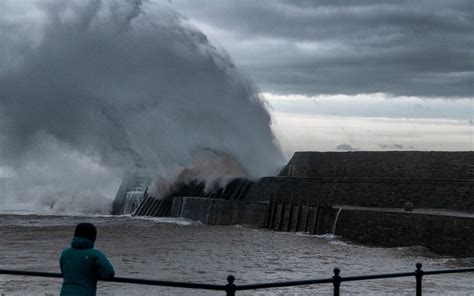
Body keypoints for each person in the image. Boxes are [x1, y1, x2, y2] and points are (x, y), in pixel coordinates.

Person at [60, 223, 115, 295]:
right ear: (93, 237)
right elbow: (109, 273)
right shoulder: (95, 254)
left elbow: (64, 272)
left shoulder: (65, 253)